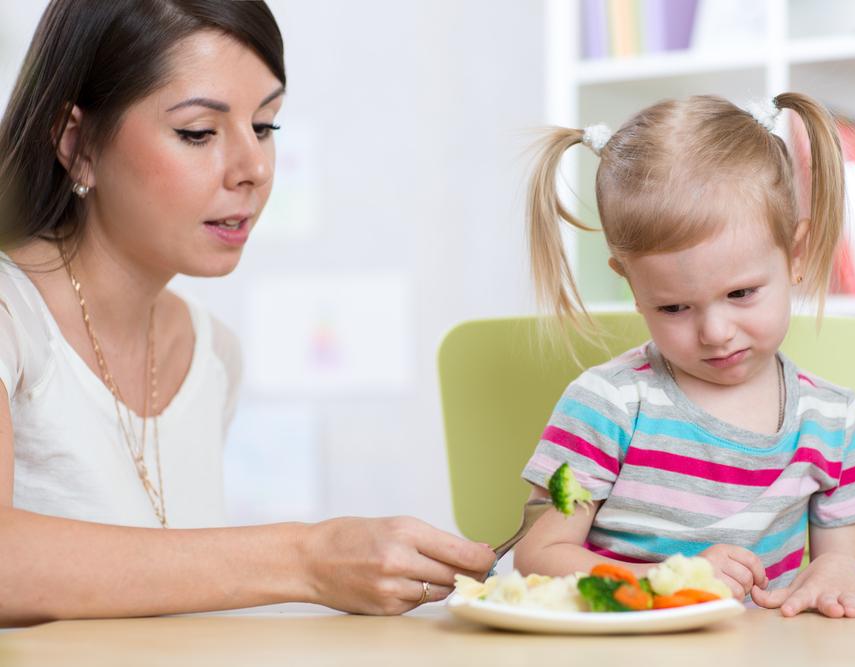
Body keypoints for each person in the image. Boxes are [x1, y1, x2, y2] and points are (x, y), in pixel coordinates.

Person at [0, 0, 493, 625]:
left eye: (264, 126)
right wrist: (305, 559)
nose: (255, 169)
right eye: (199, 133)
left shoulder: (212, 353)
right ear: (78, 144)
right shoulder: (11, 318)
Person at [513, 93, 855, 619]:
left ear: (797, 256)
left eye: (741, 294)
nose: (715, 333)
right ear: (632, 287)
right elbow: (538, 558)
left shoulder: (836, 421)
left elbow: (854, 571)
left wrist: (837, 574)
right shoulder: (607, 404)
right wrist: (671, 579)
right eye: (673, 306)